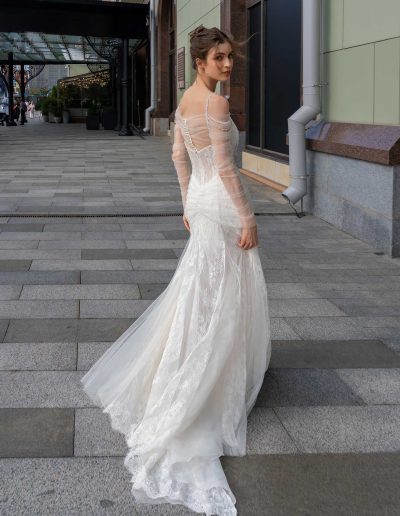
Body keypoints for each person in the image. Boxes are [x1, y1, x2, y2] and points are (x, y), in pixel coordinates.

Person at [80, 25, 271, 516]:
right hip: (222, 207)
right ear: (201, 62)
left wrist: (186, 201)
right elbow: (227, 170)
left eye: (231, 58)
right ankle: (207, 374)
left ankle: (194, 361)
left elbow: (177, 155)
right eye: (221, 59)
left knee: (199, 292)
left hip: (202, 205)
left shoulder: (186, 101)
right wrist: (249, 217)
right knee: (220, 294)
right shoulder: (216, 105)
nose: (229, 66)